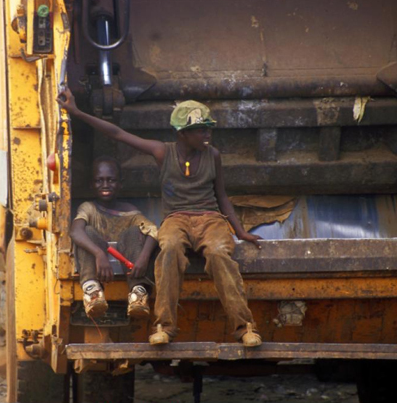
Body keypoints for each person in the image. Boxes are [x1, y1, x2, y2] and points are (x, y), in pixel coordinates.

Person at [58, 89, 263, 347]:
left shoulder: (214, 155)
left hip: (210, 219)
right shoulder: (163, 152)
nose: (207, 134)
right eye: (201, 130)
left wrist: (240, 232)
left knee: (220, 255)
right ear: (182, 134)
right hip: (175, 220)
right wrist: (77, 113)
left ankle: (244, 328)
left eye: (208, 129)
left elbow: (221, 196)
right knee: (169, 252)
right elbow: (117, 134)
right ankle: (164, 327)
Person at [70, 155, 159, 319]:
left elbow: (153, 231)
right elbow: (76, 231)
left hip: (129, 268)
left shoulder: (130, 212)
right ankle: (92, 291)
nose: (105, 185)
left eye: (111, 180)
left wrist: (144, 258)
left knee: (133, 232)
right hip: (98, 269)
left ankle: (138, 294)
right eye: (99, 180)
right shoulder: (88, 208)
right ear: (92, 184)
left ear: (120, 184)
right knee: (87, 231)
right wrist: (99, 254)